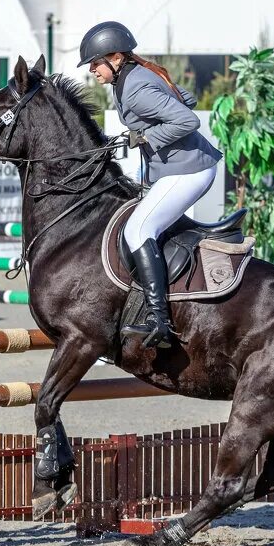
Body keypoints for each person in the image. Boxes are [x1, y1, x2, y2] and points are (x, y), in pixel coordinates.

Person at [78, 21, 223, 349]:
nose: (91, 70)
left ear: (115, 58)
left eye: (95, 62)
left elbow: (189, 120)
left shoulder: (135, 85)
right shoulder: (132, 77)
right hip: (178, 169)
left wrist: (144, 135)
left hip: (189, 171)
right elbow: (186, 98)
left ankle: (160, 322)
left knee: (137, 231)